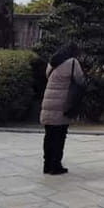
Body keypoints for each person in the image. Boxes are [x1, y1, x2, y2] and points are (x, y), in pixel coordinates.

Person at [40, 43, 85, 175]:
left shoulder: (52, 62)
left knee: (48, 135)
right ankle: (55, 165)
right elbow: (80, 80)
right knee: (59, 136)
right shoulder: (72, 62)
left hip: (48, 102)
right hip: (62, 103)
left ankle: (46, 164)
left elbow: (47, 76)